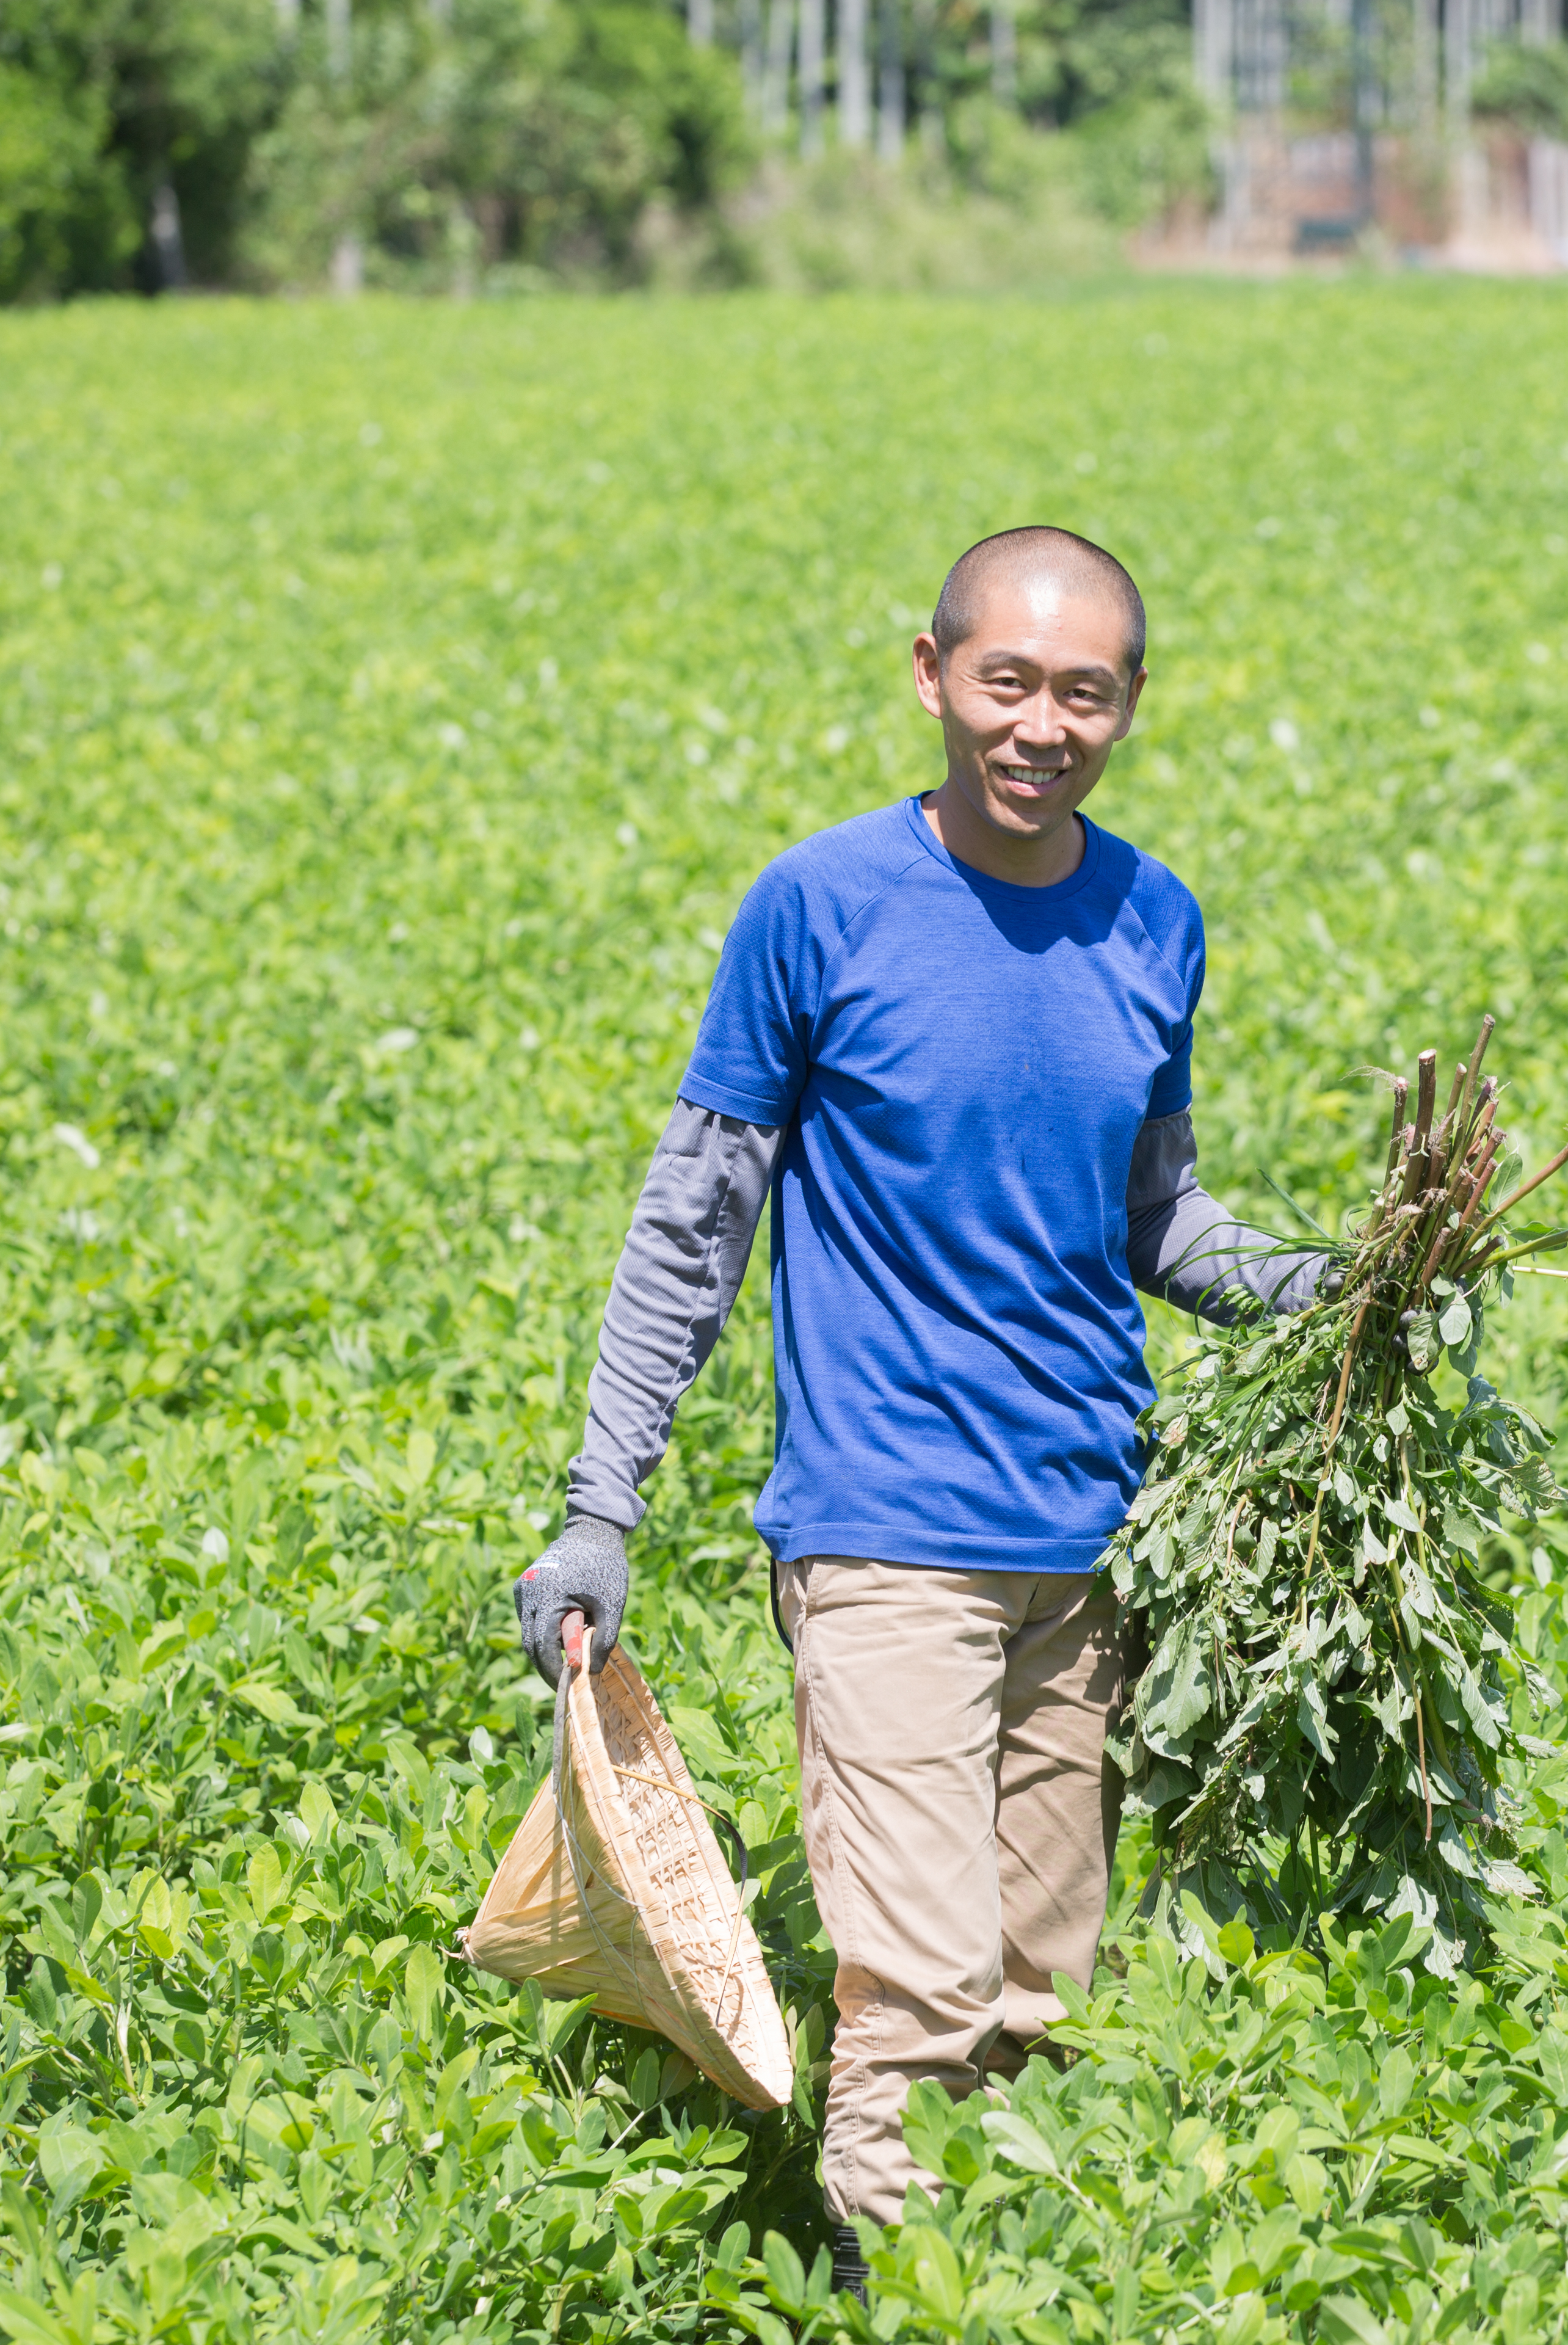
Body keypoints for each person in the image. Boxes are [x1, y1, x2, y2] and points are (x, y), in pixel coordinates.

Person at [510, 526, 1316, 2294]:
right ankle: (903, 2304)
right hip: (884, 1538)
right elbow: (697, 1222)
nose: (1042, 725)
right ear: (935, 673)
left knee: (1041, 2000)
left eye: (1083, 692)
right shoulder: (821, 906)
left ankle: (1012, 2290)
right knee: (923, 1993)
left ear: (1133, 707)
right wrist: (600, 1506)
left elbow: (1156, 1215)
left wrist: (1338, 1284)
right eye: (1008, 680)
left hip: (1089, 1535)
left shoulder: (1156, 919)